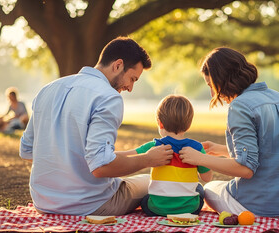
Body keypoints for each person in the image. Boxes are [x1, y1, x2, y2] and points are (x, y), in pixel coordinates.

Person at [19, 37, 174, 216]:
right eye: (132, 79)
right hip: (90, 205)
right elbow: (101, 167)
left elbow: (27, 150)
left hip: (43, 202)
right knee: (152, 181)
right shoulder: (108, 97)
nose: (130, 88)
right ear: (118, 65)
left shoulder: (48, 89)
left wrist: (65, 166)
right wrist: (148, 160)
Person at [179, 47, 279, 218]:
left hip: (262, 208)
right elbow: (270, 150)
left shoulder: (240, 106)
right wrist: (220, 149)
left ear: (222, 79)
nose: (212, 93)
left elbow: (246, 169)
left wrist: (200, 158)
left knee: (208, 188)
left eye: (211, 85)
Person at [121, 95, 213, 216]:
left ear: (160, 123)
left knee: (146, 198)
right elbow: (207, 178)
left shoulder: (154, 145)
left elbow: (127, 156)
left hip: (156, 209)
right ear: (189, 124)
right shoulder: (196, 148)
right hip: (189, 209)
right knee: (199, 189)